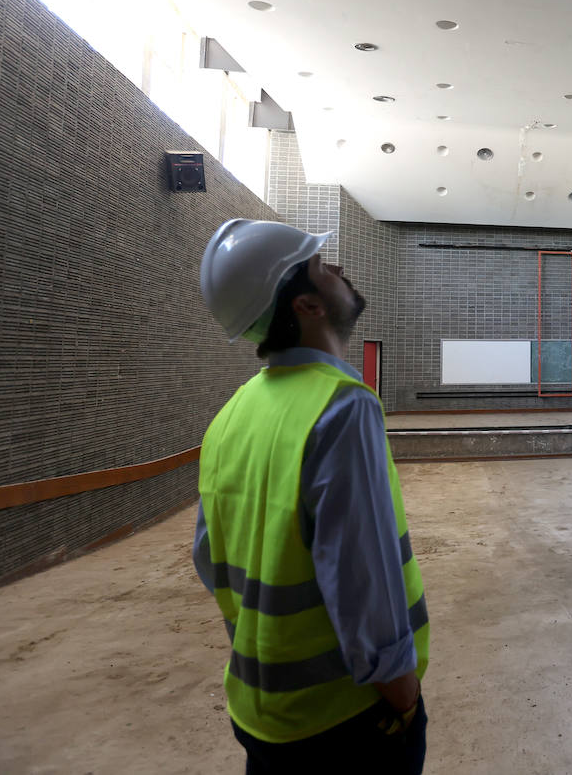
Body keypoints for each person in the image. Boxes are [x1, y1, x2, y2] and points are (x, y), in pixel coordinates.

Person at [194, 218, 429, 773]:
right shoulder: (342, 408)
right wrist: (404, 696)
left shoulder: (230, 417)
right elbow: (361, 579)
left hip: (262, 714)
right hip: (343, 720)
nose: (340, 270)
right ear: (307, 306)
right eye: (323, 266)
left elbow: (212, 562)